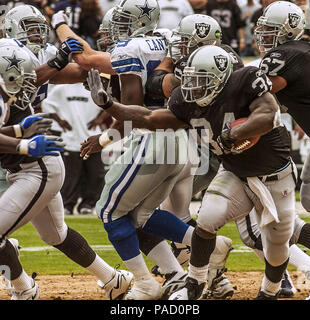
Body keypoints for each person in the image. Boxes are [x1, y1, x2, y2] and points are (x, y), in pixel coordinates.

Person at [84, 44, 296, 301]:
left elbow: (267, 113)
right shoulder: (185, 100)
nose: (194, 87)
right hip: (235, 174)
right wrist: (110, 105)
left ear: (221, 77)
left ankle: (270, 291)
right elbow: (149, 119)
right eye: (191, 80)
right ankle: (193, 284)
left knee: (276, 246)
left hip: (276, 176)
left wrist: (236, 133)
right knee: (206, 218)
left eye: (201, 80)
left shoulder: (245, 81)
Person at [0, 6, 133, 300]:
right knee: (55, 234)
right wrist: (60, 58)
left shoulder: (29, 55)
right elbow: (28, 77)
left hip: (37, 164)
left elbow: (72, 73)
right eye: (28, 28)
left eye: (38, 27)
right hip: (27, 159)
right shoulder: (8, 51)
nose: (35, 34)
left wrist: (88, 63)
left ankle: (23, 287)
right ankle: (112, 280)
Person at [146, 13, 241, 299]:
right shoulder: (220, 57)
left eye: (186, 42)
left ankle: (188, 273)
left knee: (152, 211)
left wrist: (167, 66)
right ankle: (213, 280)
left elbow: (157, 84)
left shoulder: (209, 64)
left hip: (207, 148)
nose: (179, 48)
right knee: (178, 215)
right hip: (207, 146)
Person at [41, 82, 107, 215]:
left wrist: (100, 119)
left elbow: (110, 104)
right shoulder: (61, 88)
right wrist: (59, 121)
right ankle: (68, 205)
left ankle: (88, 205)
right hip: (70, 138)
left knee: (96, 174)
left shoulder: (96, 88)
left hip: (92, 138)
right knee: (70, 176)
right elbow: (46, 104)